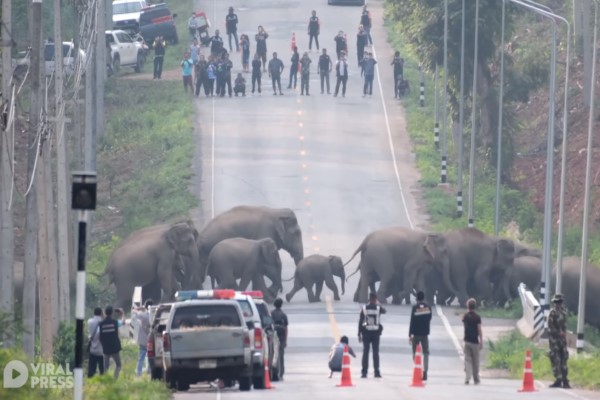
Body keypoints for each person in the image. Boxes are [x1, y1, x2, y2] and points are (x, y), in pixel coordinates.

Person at [358, 292, 386, 378]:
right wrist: (379, 304)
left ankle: (364, 372)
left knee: (365, 353)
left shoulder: (364, 308)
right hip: (375, 334)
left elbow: (360, 321)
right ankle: (376, 372)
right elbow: (384, 311)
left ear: (369, 299)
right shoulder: (378, 308)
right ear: (375, 299)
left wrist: (359, 334)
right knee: (375, 353)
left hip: (366, 333)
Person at [409, 291, 432, 381]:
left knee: (415, 352)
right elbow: (430, 318)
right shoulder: (428, 307)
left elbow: (412, 321)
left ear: (417, 298)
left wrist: (410, 334)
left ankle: (417, 368)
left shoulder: (415, 308)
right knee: (426, 352)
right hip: (425, 334)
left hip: (416, 333)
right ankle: (425, 371)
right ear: (423, 298)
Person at [548, 293, 570, 388]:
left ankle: (559, 379)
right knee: (563, 359)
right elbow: (564, 326)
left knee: (556, 358)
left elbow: (550, 327)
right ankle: (564, 380)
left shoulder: (553, 312)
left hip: (555, 340)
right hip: (562, 339)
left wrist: (557, 333)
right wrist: (562, 333)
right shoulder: (564, 312)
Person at [462, 298, 482, 385]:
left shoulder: (465, 316)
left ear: (468, 306)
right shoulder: (477, 317)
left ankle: (467, 377)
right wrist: (481, 340)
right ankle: (476, 379)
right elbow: (479, 329)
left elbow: (463, 323)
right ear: (475, 306)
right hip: (475, 341)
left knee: (467, 360)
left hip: (467, 340)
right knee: (476, 361)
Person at [99, 305, 122, 380]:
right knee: (118, 365)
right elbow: (123, 322)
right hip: (115, 347)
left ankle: (105, 380)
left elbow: (100, 336)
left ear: (105, 313)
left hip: (106, 348)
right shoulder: (115, 322)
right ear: (112, 313)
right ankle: (115, 379)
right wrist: (122, 313)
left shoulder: (101, 324)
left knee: (106, 366)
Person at [132, 299, 153, 377]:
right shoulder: (155, 315)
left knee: (141, 357)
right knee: (151, 356)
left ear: (146, 306)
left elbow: (134, 311)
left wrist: (141, 308)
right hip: (152, 340)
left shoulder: (143, 315)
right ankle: (150, 370)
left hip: (143, 340)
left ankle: (139, 372)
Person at [271, 298, 288, 380]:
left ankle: (273, 371)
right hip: (281, 337)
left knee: (273, 354)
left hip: (273, 336)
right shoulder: (283, 315)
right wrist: (285, 340)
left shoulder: (271, 314)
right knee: (281, 356)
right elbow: (286, 328)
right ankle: (281, 373)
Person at [87, 307, 104, 378]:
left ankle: (90, 381)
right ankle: (103, 380)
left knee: (91, 368)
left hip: (92, 349)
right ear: (101, 313)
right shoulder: (103, 323)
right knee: (102, 368)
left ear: (94, 313)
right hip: (101, 349)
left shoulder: (90, 321)